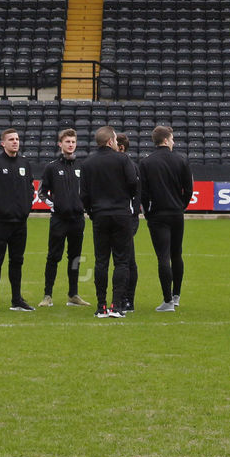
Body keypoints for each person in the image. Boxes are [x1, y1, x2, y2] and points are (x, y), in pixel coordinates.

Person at [80, 125, 137, 319]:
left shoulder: (88, 163)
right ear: (111, 141)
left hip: (100, 215)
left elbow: (84, 195)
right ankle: (117, 305)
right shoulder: (123, 159)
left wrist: (92, 211)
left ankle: (101, 306)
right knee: (121, 261)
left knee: (101, 261)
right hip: (121, 215)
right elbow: (133, 185)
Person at [138, 124, 193, 312]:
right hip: (176, 213)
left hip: (157, 215)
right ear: (166, 140)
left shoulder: (145, 163)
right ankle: (176, 296)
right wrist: (181, 205)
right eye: (172, 138)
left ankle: (167, 300)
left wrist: (147, 210)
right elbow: (189, 189)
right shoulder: (181, 160)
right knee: (176, 254)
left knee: (163, 256)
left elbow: (142, 193)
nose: (174, 141)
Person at [0, 127, 35, 311]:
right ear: (3, 143)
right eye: (11, 139)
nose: (15, 142)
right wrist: (0, 207)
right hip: (2, 222)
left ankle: (16, 299)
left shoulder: (24, 163)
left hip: (20, 222)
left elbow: (30, 188)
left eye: (17, 139)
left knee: (17, 260)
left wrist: (26, 208)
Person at [38, 127, 88, 307]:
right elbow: (41, 192)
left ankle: (73, 294)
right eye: (67, 142)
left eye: (73, 142)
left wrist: (84, 206)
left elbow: (88, 191)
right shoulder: (52, 167)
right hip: (59, 220)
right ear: (60, 144)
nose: (71, 145)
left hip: (77, 220)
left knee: (75, 257)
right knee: (53, 256)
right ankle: (47, 295)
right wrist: (55, 206)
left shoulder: (82, 166)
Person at [115, 134, 139, 313]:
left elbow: (137, 194)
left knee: (127, 260)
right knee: (124, 259)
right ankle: (122, 297)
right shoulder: (114, 164)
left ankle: (127, 298)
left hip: (127, 218)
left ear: (121, 147)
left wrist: (134, 215)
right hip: (121, 216)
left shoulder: (131, 166)